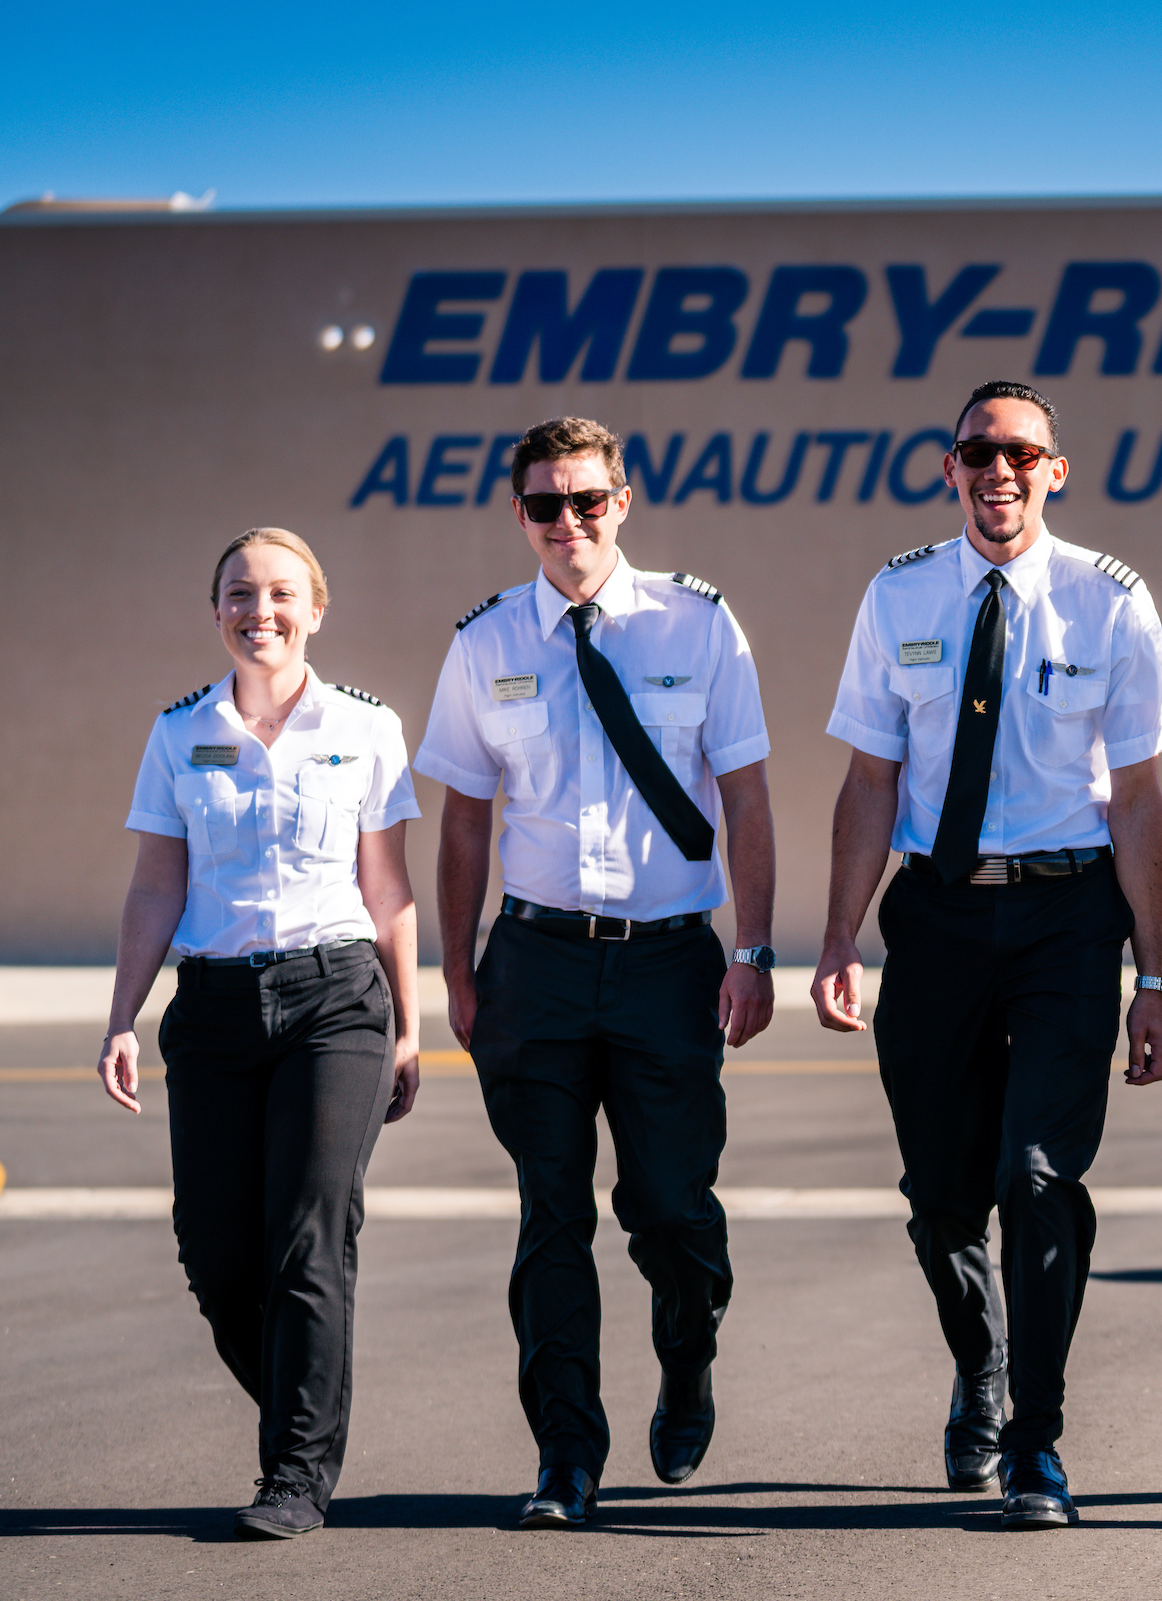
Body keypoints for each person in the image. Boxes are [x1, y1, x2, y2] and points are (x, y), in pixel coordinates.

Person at [811, 379, 1162, 1530]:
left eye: (1023, 452)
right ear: (949, 466)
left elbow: (1137, 799)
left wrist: (1155, 978)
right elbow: (872, 778)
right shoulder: (898, 594)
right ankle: (978, 1364)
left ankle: (1036, 1437)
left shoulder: (1110, 602)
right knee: (941, 1197)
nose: (1001, 470)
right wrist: (838, 935)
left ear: (1055, 470)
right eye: (980, 450)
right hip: (935, 917)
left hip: (1069, 917)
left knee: (1036, 1177)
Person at [415, 415, 777, 1530]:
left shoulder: (700, 624)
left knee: (670, 1208)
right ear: (518, 513)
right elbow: (466, 821)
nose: (566, 521)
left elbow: (747, 800)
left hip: (669, 961)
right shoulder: (485, 644)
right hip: (534, 966)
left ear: (624, 500)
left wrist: (756, 949)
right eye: (543, 503)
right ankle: (566, 1454)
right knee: (549, 1216)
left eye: (586, 499)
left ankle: (689, 1345)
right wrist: (459, 970)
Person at [98, 528, 423, 1540]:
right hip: (215, 1010)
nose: (261, 610)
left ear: (316, 608)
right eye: (241, 593)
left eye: (282, 592)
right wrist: (121, 1015)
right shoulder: (177, 733)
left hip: (336, 1001)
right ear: (218, 611)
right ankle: (304, 1403)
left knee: (307, 1235)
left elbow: (387, 887)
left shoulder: (366, 726)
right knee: (214, 1251)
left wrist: (411, 1028)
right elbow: (158, 883)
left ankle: (295, 1468)